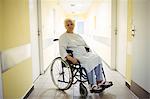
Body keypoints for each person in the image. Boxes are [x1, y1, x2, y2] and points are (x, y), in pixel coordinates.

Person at [59, 18, 112, 91]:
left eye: (71, 24)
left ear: (74, 25)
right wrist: (70, 58)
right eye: (68, 25)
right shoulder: (63, 36)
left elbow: (85, 44)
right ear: (65, 26)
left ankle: (99, 81)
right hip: (76, 55)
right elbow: (62, 49)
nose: (70, 26)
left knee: (97, 58)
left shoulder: (77, 35)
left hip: (85, 53)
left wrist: (89, 51)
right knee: (88, 62)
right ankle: (92, 85)